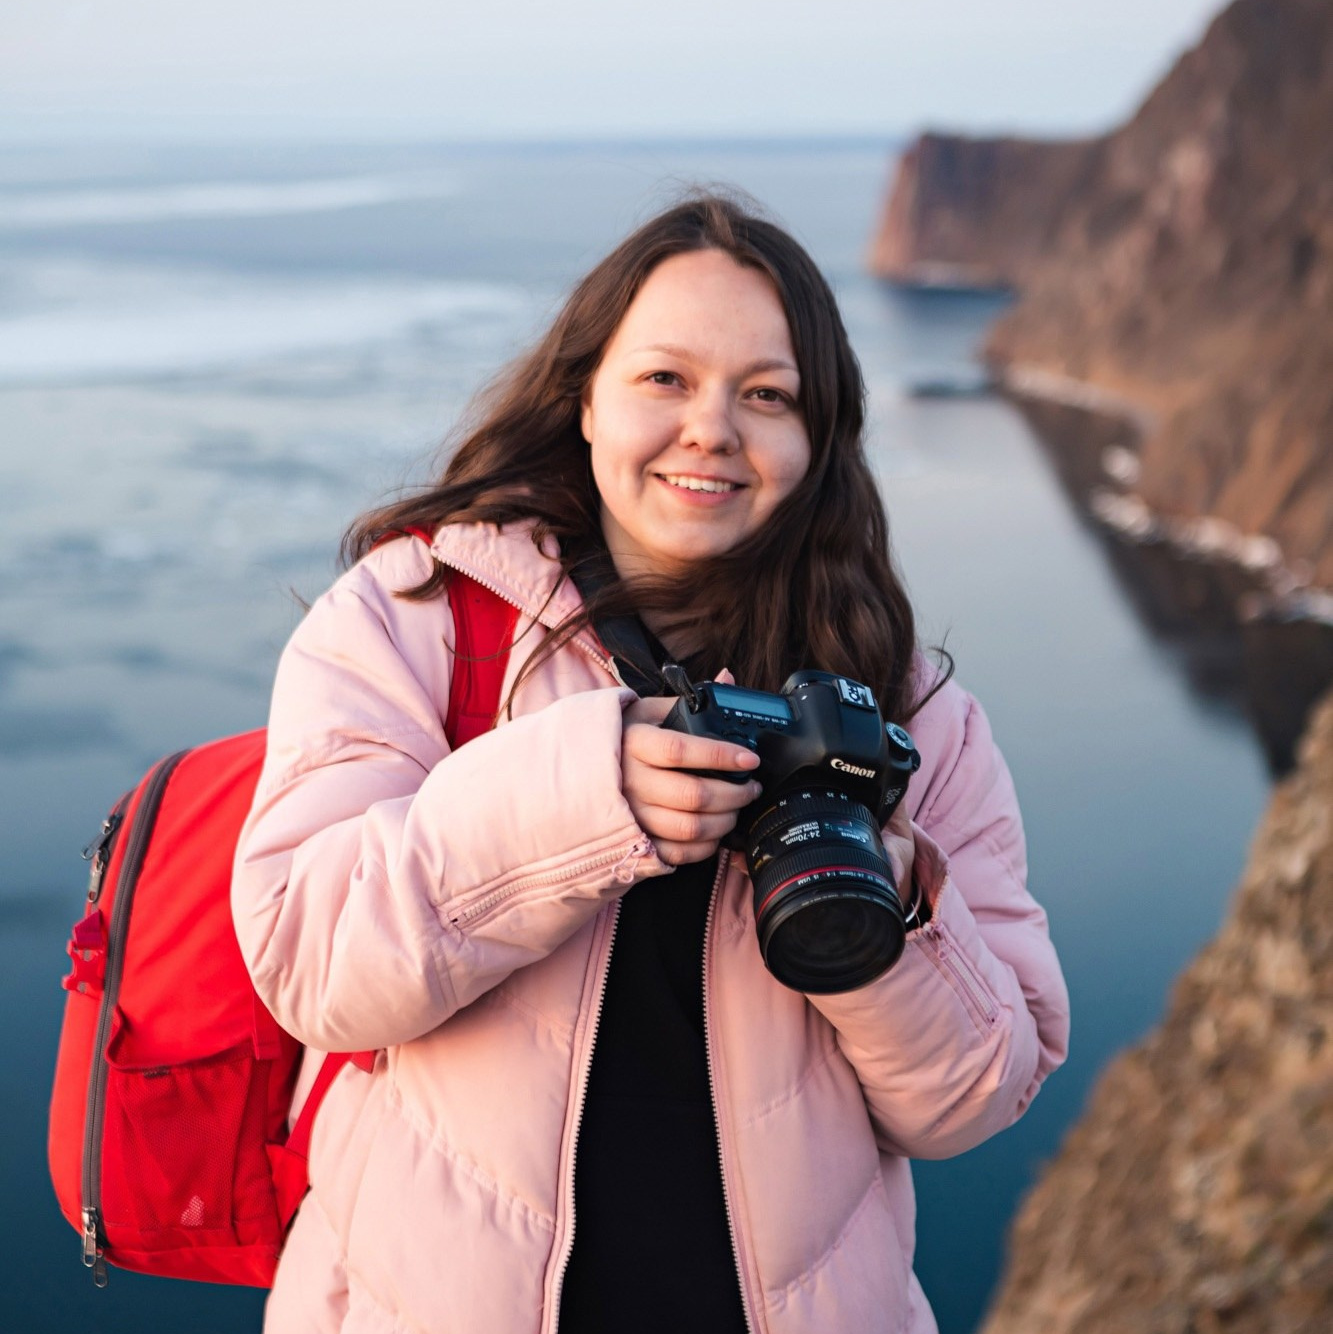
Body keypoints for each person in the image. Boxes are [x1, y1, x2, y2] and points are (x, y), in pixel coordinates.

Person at [233, 192, 1069, 1334]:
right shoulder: (418, 619)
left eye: (765, 395)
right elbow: (307, 961)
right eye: (664, 379)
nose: (711, 429)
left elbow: (978, 1094)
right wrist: (580, 794)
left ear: (817, 439)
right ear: (585, 398)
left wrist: (871, 899)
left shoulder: (907, 710)